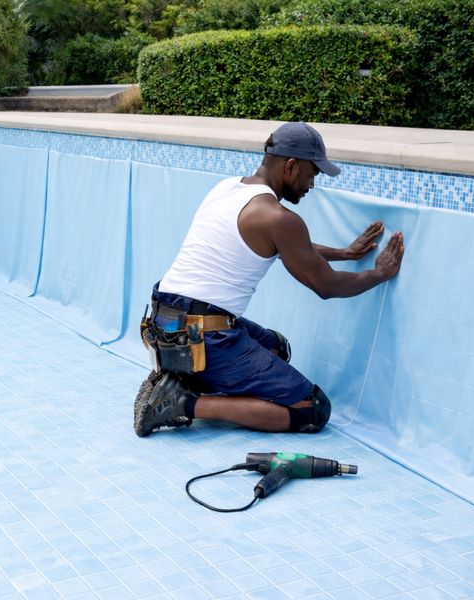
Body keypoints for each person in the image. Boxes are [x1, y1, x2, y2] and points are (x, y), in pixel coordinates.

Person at [134, 121, 405, 437]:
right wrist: (379, 273)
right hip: (203, 337)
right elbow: (327, 286)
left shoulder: (228, 188)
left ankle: (181, 378)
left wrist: (344, 253)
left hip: (164, 325)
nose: (311, 184)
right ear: (291, 166)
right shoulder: (278, 218)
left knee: (276, 348)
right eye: (312, 173)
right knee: (312, 409)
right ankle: (182, 402)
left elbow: (282, 245)